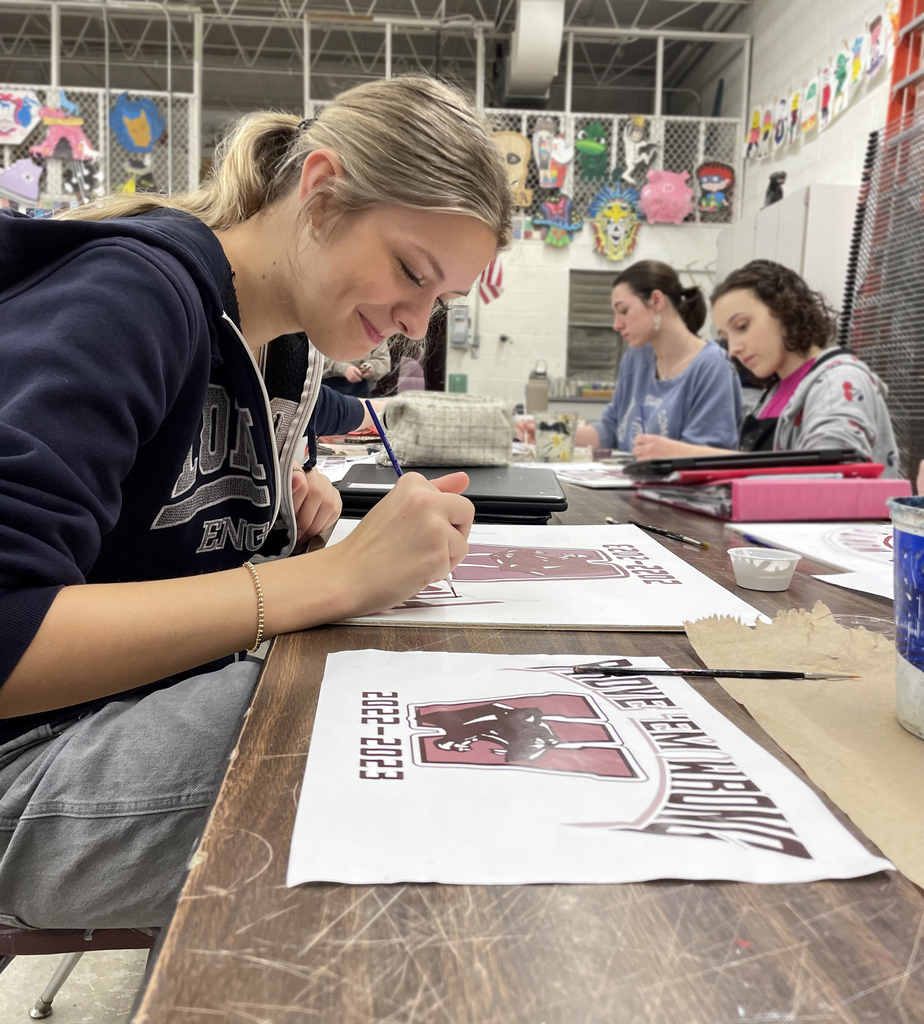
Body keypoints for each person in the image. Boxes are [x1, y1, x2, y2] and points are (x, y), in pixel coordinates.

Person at [0, 74, 511, 929]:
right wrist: (332, 582)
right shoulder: (135, 296)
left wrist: (291, 537)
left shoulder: (283, 351)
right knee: (425, 773)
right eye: (411, 273)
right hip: (28, 760)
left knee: (436, 715)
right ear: (319, 192)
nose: (416, 323)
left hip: (136, 705)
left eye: (442, 300)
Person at [633, 261, 899, 474]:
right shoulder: (774, 392)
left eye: (742, 326)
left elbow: (830, 475)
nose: (734, 347)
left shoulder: (840, 381)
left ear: (785, 309)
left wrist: (687, 455)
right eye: (726, 338)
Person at [570, 260, 742, 453]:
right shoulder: (636, 356)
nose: (616, 325)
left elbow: (706, 456)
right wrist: (558, 433)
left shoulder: (713, 366)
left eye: (624, 311)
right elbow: (612, 428)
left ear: (657, 301)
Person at [322, 336, 391, 397]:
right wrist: (342, 368)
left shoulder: (378, 330)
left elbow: (383, 361)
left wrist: (369, 367)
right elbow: (317, 357)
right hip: (329, 383)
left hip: (360, 385)